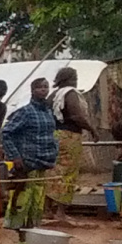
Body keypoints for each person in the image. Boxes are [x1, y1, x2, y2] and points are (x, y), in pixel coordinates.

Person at [0, 78, 60, 230]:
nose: (43, 90)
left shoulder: (48, 112)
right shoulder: (25, 112)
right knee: (24, 194)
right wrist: (14, 156)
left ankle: (34, 226)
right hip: (28, 160)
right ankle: (18, 225)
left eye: (46, 87)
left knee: (38, 197)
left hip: (44, 160)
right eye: (39, 87)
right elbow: (6, 133)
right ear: (32, 90)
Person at [46, 66, 94, 211]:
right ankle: (61, 212)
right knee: (68, 173)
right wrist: (92, 129)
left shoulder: (53, 95)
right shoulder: (70, 93)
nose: (76, 82)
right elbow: (76, 115)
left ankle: (48, 209)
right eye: (75, 79)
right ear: (69, 80)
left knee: (52, 171)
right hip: (70, 137)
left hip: (54, 135)